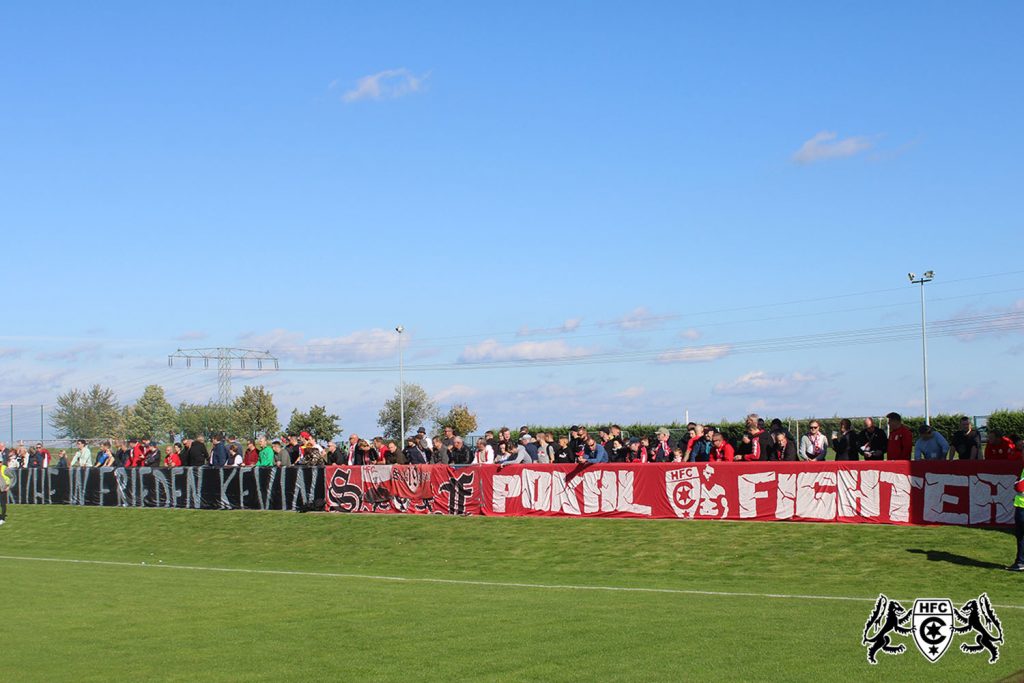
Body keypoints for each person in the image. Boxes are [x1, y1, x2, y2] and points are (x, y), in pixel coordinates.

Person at [1009, 465, 1024, 571]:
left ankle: (1020, 562)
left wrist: (1016, 482)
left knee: (1021, 536)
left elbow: (1019, 486)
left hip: (1022, 507)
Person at [0, 457, 10, 526]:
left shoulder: (4, 468)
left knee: (3, 504)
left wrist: (8, 486)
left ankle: (2, 519)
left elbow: (11, 477)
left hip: (3, 488)